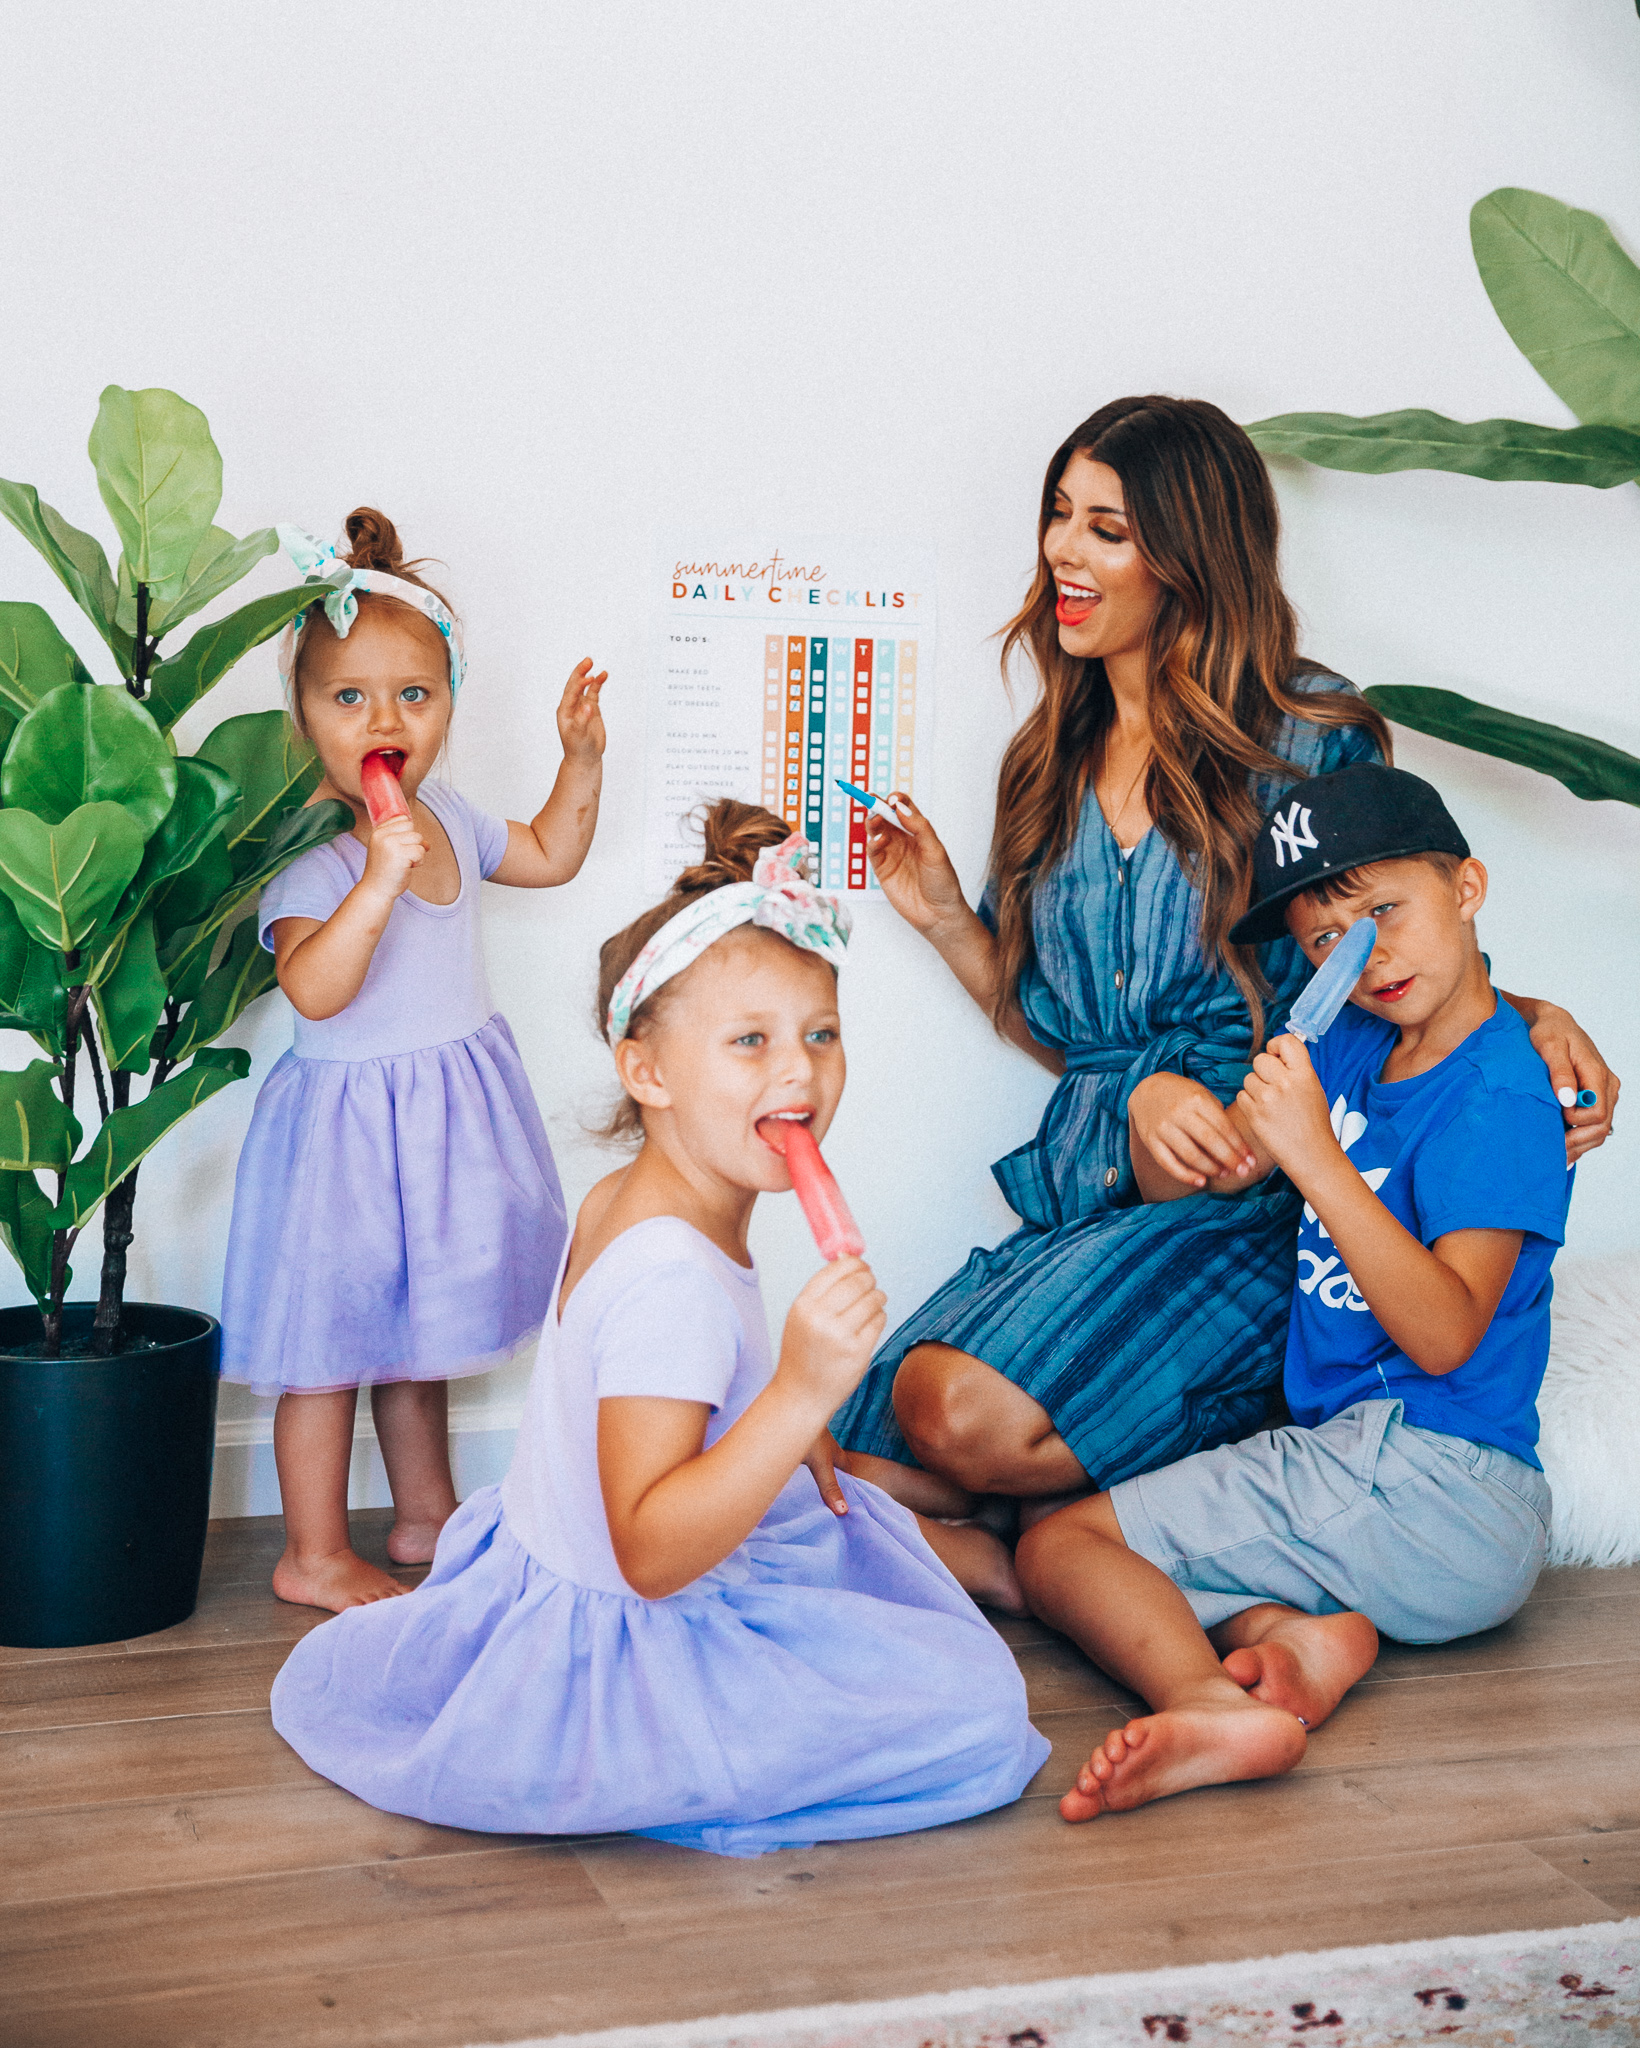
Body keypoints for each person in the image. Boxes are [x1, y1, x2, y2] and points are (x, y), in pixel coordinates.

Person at [831, 397, 1617, 1579]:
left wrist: (1535, 1015)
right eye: (1058, 516)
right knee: (855, 1467)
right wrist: (948, 916)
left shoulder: (1308, 737)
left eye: (1105, 527)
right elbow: (1056, 1023)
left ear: (1188, 553)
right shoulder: (1048, 757)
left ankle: (1160, 1482)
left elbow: (1389, 948)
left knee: (962, 1420)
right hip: (1098, 1177)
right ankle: (1056, 1533)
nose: (1060, 550)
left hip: (1259, 1189)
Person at [269, 803, 1049, 1855]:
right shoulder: (668, 1273)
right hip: (626, 1642)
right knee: (982, 1719)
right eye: (749, 1041)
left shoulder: (641, 1196)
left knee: (837, 1515)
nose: (799, 1072)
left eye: (821, 1033)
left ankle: (968, 1548)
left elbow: (669, 1398)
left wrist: (789, 1415)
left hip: (577, 1556)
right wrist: (795, 1393)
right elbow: (647, 1552)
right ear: (647, 1071)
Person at [1017, 763, 1574, 1818]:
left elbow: (1449, 1330)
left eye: (1383, 911)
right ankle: (1311, 1641)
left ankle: (1207, 1708)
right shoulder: (1357, 1039)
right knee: (1091, 1549)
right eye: (1328, 939)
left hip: (1435, 1476)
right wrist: (1198, 1123)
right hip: (1373, 1474)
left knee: (1062, 1547)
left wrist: (1312, 1153)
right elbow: (1251, 1152)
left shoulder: (1499, 1095)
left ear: (1467, 887)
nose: (1364, 955)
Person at [220, 510, 608, 1613]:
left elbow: (546, 851)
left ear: (447, 703)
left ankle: (427, 1512)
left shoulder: (443, 811)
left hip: (441, 1126)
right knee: (328, 1349)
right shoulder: (311, 853)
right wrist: (376, 879)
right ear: (300, 718)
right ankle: (310, 1549)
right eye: (348, 698)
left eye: (413, 694)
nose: (383, 719)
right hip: (345, 1140)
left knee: (417, 1340)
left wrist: (579, 760)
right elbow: (313, 987)